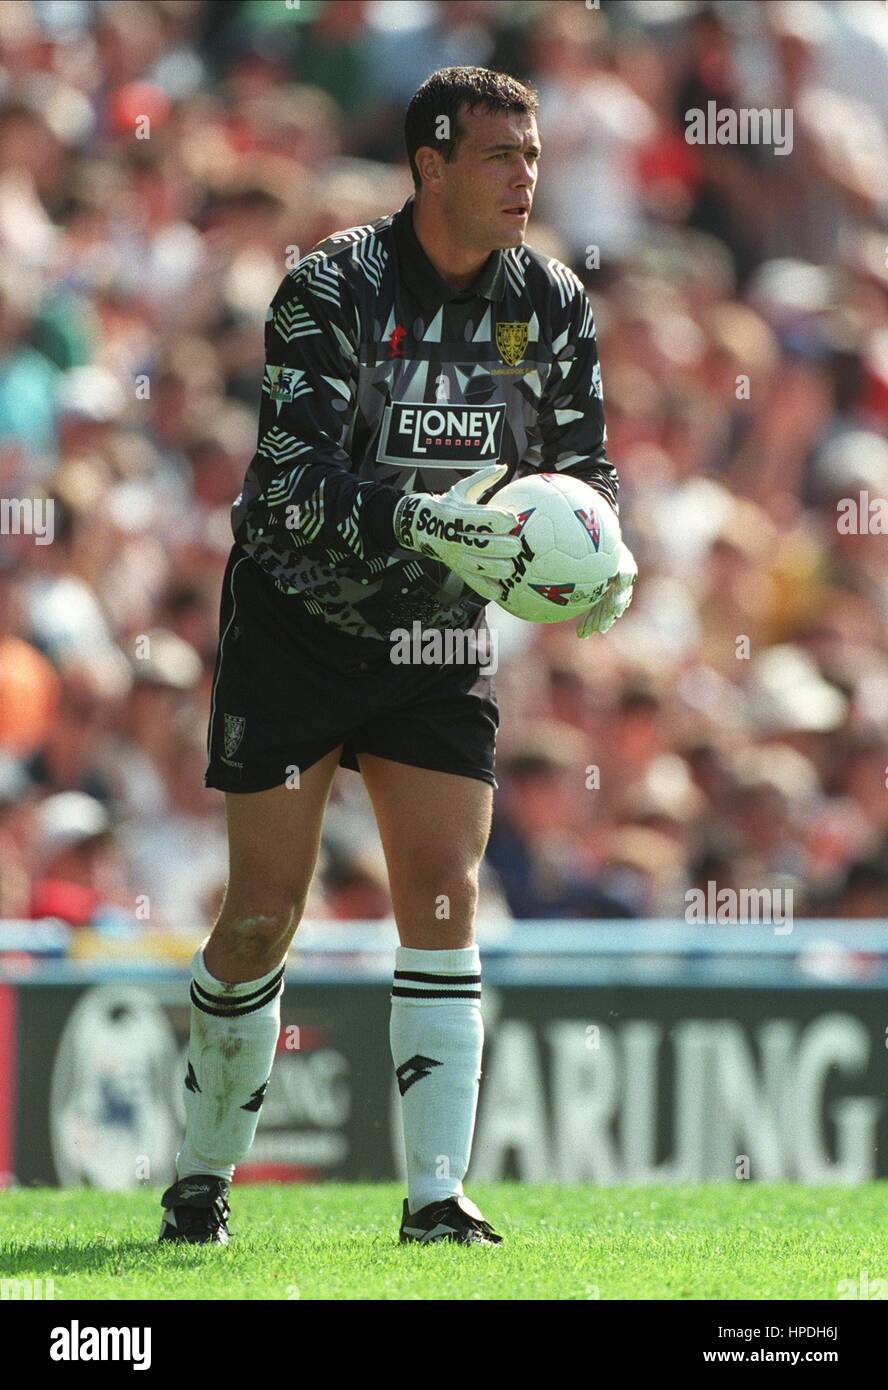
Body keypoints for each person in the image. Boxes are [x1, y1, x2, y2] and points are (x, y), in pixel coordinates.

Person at [159, 65, 637, 1248]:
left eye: (532, 154)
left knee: (446, 893)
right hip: (298, 626)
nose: (526, 176)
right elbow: (281, 493)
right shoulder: (332, 285)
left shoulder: (554, 301)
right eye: (499, 156)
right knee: (263, 916)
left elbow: (585, 466)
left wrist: (605, 548)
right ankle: (202, 1173)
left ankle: (435, 1199)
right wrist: (429, 519)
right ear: (430, 166)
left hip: (435, 637)